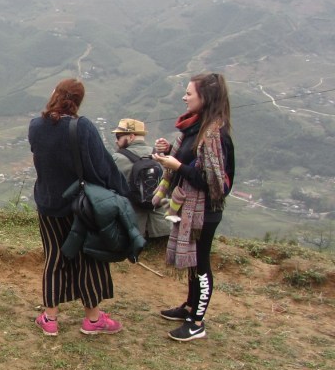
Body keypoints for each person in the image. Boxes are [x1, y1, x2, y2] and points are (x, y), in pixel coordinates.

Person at [29, 78, 129, 336]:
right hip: (81, 206)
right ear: (77, 101)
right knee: (88, 258)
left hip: (48, 202)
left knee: (54, 256)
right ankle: (93, 320)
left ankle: (49, 318)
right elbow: (102, 166)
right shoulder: (82, 127)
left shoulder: (36, 126)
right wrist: (122, 191)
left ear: (55, 94)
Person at [151, 73, 234, 342]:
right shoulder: (195, 128)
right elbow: (189, 159)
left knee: (201, 263)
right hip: (190, 207)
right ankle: (189, 306)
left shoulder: (214, 135)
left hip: (205, 211)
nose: (184, 98)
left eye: (189, 93)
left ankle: (197, 322)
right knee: (193, 260)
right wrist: (169, 152)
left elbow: (214, 183)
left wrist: (177, 166)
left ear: (205, 97)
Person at [110, 118, 172, 238]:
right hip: (163, 227)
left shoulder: (117, 159)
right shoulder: (161, 156)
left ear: (131, 136)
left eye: (118, 136)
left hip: (135, 228)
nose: (116, 141)